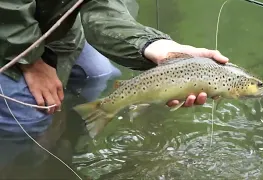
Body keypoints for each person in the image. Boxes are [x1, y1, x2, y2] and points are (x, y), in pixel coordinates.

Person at [0, 0, 229, 137]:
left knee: (100, 73)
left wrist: (152, 44)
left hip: (50, 19)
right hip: (8, 28)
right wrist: (31, 61)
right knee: (29, 113)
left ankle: (75, 124)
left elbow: (104, 8)